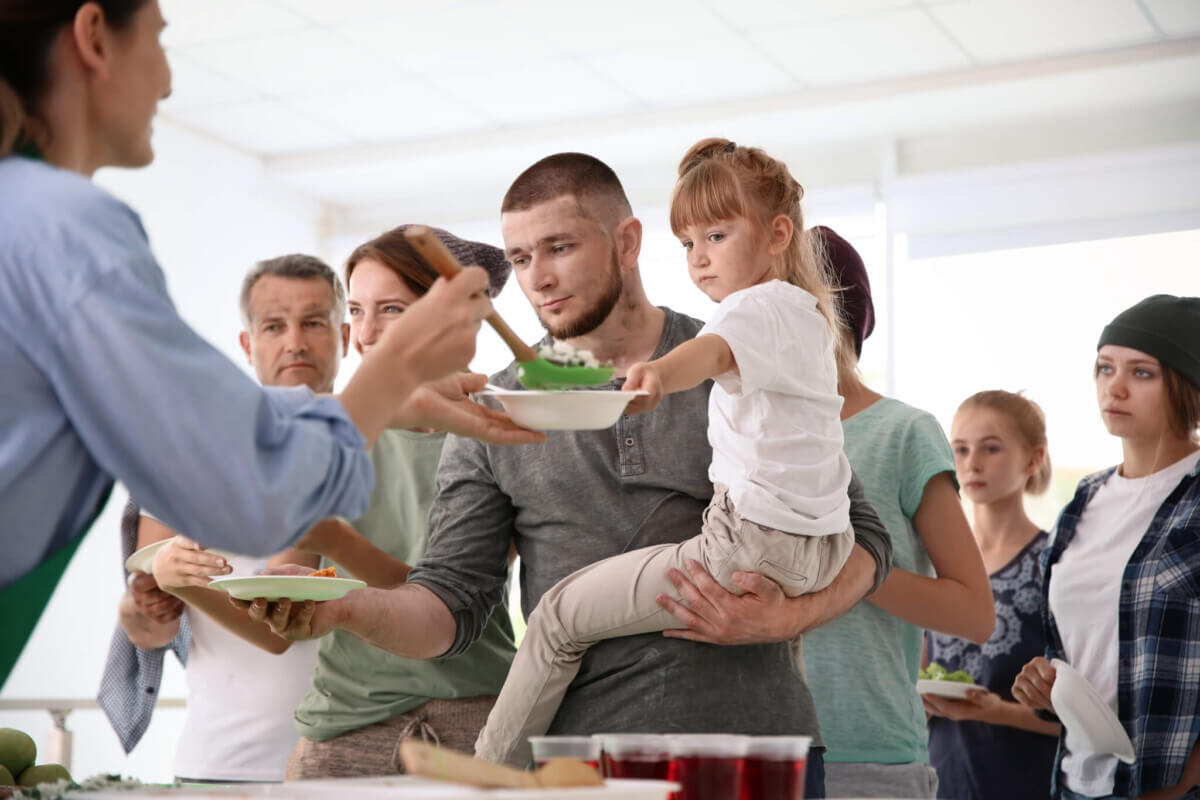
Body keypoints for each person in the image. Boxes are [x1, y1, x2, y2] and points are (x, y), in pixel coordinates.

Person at [252, 152, 893, 798]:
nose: (539, 279)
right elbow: (449, 606)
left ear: (627, 242)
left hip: (755, 749)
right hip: (578, 767)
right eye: (522, 258)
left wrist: (789, 618)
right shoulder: (490, 414)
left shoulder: (733, 356)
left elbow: (866, 535)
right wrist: (348, 608)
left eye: (559, 247)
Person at [0, 0, 541, 687]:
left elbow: (212, 431)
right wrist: (400, 365)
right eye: (161, 41)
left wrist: (394, 404)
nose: (168, 81)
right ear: (95, 37)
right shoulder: (70, 228)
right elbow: (250, 492)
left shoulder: (24, 216)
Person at [472, 138, 856, 764]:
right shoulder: (808, 319)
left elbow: (707, 354)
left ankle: (486, 773)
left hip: (745, 549)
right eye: (689, 243)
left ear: (779, 233)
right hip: (818, 550)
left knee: (556, 618)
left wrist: (655, 376)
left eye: (718, 237)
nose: (700, 260)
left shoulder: (749, 311)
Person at [280, 226, 518, 779]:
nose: (364, 332)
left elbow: (451, 596)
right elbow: (283, 571)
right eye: (356, 309)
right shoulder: (337, 427)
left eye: (391, 309)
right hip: (342, 723)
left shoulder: (500, 432)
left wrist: (336, 541)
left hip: (473, 721)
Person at [100, 254, 345, 781]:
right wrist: (143, 607)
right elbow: (151, 626)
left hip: (358, 765)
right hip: (219, 768)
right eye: (274, 326)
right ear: (247, 344)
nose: (294, 343)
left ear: (344, 335)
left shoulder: (381, 451)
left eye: (314, 323)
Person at [797, 226, 993, 799]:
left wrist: (845, 566)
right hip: (763, 752)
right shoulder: (740, 442)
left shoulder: (903, 432)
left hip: (871, 761)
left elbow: (975, 613)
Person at [1013, 295, 1200, 800]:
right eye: (1104, 368)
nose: (1113, 387)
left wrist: (1180, 784)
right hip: (1075, 783)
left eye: (1142, 373)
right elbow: (1082, 650)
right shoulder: (1084, 498)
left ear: (1187, 386)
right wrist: (1049, 688)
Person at [923, 390, 1060, 800]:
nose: (972, 463)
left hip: (1025, 782)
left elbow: (1089, 715)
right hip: (941, 778)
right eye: (960, 449)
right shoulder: (933, 561)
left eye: (991, 448)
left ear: (1033, 459)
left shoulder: (1056, 565)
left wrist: (997, 711)